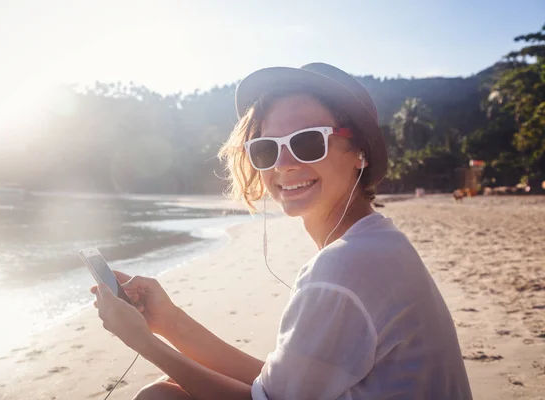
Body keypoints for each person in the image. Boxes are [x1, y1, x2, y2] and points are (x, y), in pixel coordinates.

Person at [91, 63, 473, 399]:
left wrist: (142, 342)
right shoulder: (378, 242)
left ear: (361, 153)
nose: (284, 164)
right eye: (265, 150)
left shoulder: (345, 266)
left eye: (308, 142)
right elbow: (276, 387)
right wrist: (168, 322)